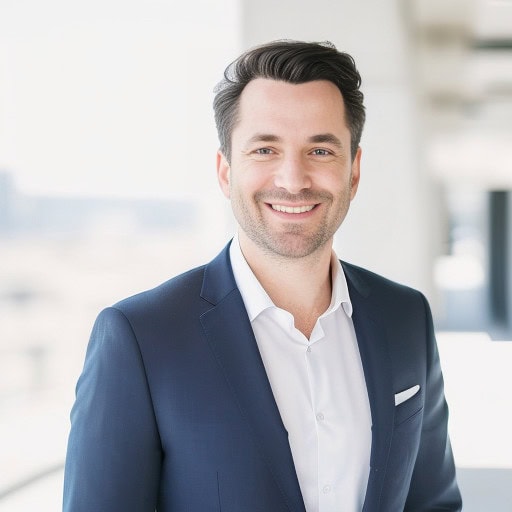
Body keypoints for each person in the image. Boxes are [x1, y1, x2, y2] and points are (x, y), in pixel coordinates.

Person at [63, 40, 462, 511]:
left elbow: (432, 503)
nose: (292, 180)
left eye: (320, 150)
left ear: (353, 172)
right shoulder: (142, 337)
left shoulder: (405, 316)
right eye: (265, 149)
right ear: (225, 171)